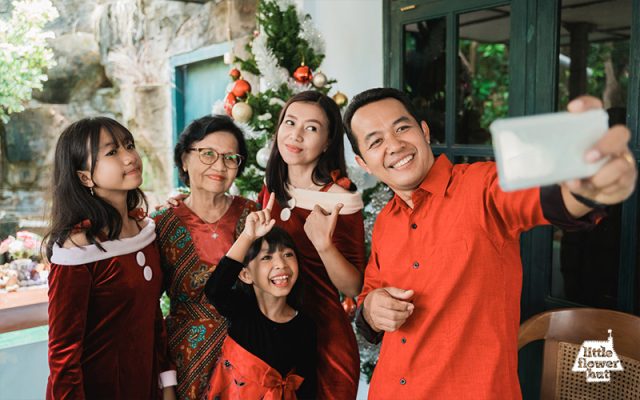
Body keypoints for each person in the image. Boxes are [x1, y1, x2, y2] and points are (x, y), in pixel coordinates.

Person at [342, 88, 637, 399]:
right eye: (376, 141)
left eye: (402, 128)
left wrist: (587, 188)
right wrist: (372, 310)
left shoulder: (482, 187)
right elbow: (369, 293)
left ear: (424, 131)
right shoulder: (386, 220)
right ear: (363, 162)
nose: (395, 145)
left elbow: (543, 199)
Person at [45, 117, 176, 399]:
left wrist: (167, 384)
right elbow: (63, 354)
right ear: (84, 177)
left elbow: (152, 314)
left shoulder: (144, 231)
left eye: (129, 145)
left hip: (144, 385)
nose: (130, 157)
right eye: (112, 152)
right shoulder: (77, 250)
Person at [258, 90, 365, 399]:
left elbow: (354, 286)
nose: (296, 135)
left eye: (312, 128)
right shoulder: (272, 188)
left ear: (328, 141)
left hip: (324, 340)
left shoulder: (341, 200)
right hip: (273, 336)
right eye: (290, 123)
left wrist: (325, 246)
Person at [151, 115, 258, 399]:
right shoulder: (161, 223)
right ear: (184, 159)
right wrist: (166, 381)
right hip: (184, 359)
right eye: (208, 154)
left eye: (230, 157)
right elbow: (148, 309)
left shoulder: (253, 215)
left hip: (247, 354)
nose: (219, 166)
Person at [204, 193, 317, 399]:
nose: (281, 265)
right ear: (246, 274)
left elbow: (308, 389)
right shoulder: (241, 310)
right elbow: (215, 290)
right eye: (266, 257)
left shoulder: (305, 326)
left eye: (288, 254)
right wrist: (248, 236)